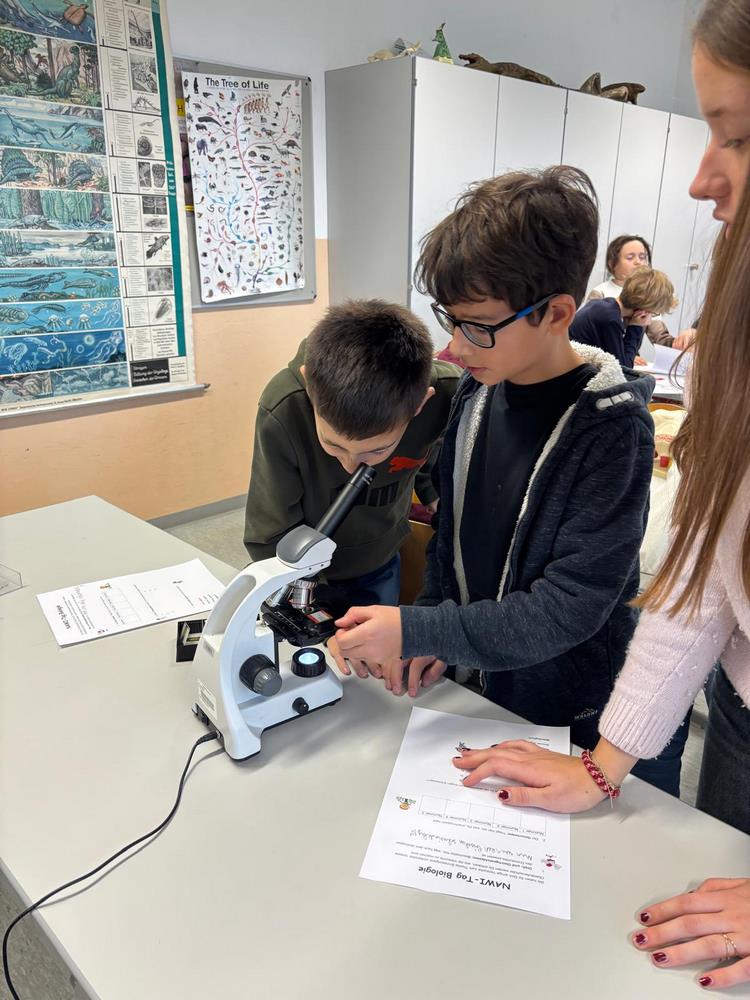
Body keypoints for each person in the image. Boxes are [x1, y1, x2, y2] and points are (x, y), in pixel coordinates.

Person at [453, 0, 750, 989]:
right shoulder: (731, 340)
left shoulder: (607, 417)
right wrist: (605, 762)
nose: (701, 179)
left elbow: (579, 602)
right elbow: (697, 586)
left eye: (736, 136)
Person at [330, 166, 689, 794]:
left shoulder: (610, 429)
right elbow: (449, 540)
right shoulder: (478, 391)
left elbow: (568, 608)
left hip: (570, 711)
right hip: (484, 685)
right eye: (449, 319)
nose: (455, 346)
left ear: (556, 313)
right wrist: (435, 624)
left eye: (476, 325)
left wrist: (418, 628)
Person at [243, 299, 459, 605]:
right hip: (300, 573)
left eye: (377, 451)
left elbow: (435, 447)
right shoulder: (285, 407)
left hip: (380, 559)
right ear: (310, 390)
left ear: (420, 405)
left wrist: (431, 489)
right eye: (334, 445)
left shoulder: (450, 393)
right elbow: (268, 529)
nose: (350, 467)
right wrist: (293, 587)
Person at [571, 266, 676, 368]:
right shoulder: (610, 319)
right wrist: (636, 327)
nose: (649, 321)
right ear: (643, 311)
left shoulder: (605, 307)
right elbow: (623, 368)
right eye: (653, 314)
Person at [588, 234, 675, 347]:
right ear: (612, 263)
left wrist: (677, 344)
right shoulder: (600, 292)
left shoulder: (648, 295)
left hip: (628, 352)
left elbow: (660, 336)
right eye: (630, 257)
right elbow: (593, 335)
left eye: (642, 257)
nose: (638, 262)